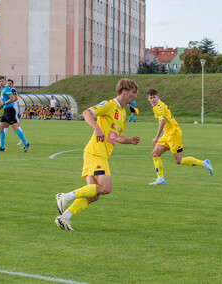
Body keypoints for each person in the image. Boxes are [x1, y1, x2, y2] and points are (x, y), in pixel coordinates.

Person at [54, 78, 140, 230]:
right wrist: (96, 128)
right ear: (124, 91)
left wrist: (130, 140)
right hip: (95, 153)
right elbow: (87, 113)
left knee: (93, 195)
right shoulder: (108, 105)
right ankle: (65, 196)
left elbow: (117, 136)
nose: (135, 96)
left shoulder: (122, 113)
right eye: (133, 92)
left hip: (99, 155)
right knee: (106, 188)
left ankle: (64, 217)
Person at [147, 89, 213, 185]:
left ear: (158, 97)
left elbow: (162, 121)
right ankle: (160, 179)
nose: (152, 99)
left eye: (154, 97)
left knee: (179, 160)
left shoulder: (159, 107)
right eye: (150, 98)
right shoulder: (156, 106)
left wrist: (156, 137)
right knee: (155, 154)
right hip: (167, 134)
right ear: (148, 99)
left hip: (173, 134)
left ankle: (204, 163)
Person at [0, 76, 30, 153]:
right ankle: (1, 147)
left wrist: (3, 103)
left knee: (15, 127)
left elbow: (13, 98)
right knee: (0, 128)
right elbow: (6, 100)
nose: (1, 82)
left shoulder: (7, 88)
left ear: (4, 81)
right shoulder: (3, 89)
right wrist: (2, 105)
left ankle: (25, 143)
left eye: (2, 81)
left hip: (10, 111)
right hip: (6, 111)